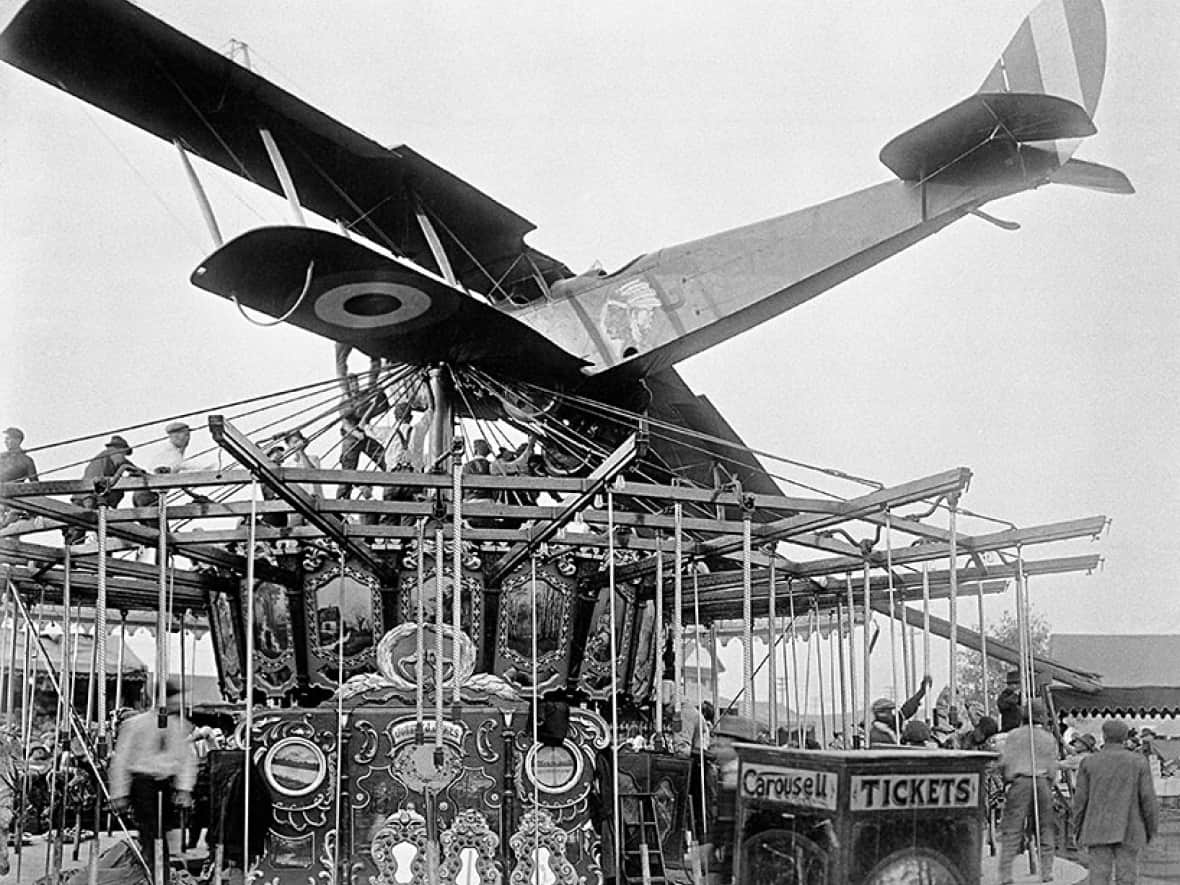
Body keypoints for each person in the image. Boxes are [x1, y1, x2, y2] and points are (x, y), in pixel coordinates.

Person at [109, 677, 197, 881]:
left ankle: (160, 873)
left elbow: (185, 759)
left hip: (165, 784)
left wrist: (184, 789)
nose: (177, 703)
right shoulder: (135, 725)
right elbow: (121, 760)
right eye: (174, 698)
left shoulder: (178, 726)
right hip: (142, 784)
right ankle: (155, 874)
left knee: (162, 834)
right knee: (151, 834)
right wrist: (119, 793)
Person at [1072, 719, 1159, 885]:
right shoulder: (1138, 761)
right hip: (1130, 826)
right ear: (1125, 737)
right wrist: (1151, 829)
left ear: (1104, 736)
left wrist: (1077, 829)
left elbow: (1080, 801)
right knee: (1127, 876)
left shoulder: (1089, 762)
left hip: (1097, 826)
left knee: (1098, 876)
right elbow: (1148, 799)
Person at [997, 700, 1059, 884]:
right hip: (1041, 782)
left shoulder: (1014, 736)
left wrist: (1007, 780)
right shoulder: (1048, 738)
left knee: (1012, 828)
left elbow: (1005, 762)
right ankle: (1047, 871)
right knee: (1045, 827)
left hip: (1020, 781)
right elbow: (1052, 769)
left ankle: (1006, 873)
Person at [131, 421, 213, 508]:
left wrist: (195, 495)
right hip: (149, 495)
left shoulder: (167, 452)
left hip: (144, 494)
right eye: (186, 435)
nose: (188, 439)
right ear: (175, 436)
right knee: (159, 519)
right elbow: (182, 467)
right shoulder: (172, 454)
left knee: (157, 520)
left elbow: (176, 478)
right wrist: (208, 468)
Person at [867, 675, 932, 746]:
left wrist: (922, 692)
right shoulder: (877, 734)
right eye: (890, 711)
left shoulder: (892, 725)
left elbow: (906, 710)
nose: (892, 714)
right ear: (881, 714)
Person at [0, 426, 38, 528]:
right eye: (5, 439)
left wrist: (34, 509)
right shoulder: (1, 458)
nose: (5, 442)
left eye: (8, 439)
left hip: (16, 500)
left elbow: (35, 485)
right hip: (1, 499)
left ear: (17, 440)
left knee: (10, 529)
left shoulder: (26, 460)